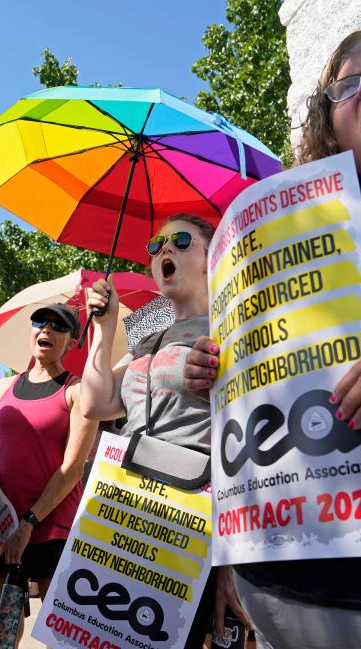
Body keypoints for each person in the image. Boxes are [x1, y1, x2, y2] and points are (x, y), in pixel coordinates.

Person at [184, 31, 361, 648]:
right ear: (331, 127)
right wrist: (225, 370)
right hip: (283, 594)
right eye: (345, 86)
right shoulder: (299, 235)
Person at [82, 213, 246, 648]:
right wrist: (104, 328)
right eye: (156, 246)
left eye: (180, 241)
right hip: (129, 519)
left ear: (214, 257)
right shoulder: (148, 336)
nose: (164, 250)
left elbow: (246, 449)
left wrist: (230, 565)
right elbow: (95, 403)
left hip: (193, 530)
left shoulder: (236, 327)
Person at [0, 303, 99, 644]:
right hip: (0, 524)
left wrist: (28, 522)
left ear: (73, 342)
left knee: (59, 631)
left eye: (59, 326)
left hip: (50, 526)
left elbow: (72, 469)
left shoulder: (78, 391)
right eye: (40, 321)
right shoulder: (1, 389)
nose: (47, 329)